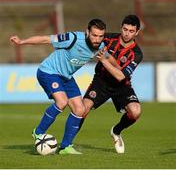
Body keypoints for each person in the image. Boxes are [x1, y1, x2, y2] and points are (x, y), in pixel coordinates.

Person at [10, 18, 106, 154]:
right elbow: (45, 39)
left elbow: (108, 58)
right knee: (62, 101)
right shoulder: (72, 38)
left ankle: (65, 147)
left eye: (100, 36)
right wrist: (22, 42)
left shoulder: (101, 47)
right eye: (94, 35)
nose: (97, 39)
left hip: (66, 77)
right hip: (49, 71)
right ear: (87, 32)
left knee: (80, 109)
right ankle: (38, 132)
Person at [79, 14, 143, 154]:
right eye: (125, 29)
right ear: (121, 28)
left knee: (136, 111)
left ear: (137, 32)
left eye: (131, 31)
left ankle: (116, 131)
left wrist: (104, 60)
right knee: (82, 110)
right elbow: (89, 37)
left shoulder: (137, 53)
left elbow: (120, 76)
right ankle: (67, 144)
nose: (127, 33)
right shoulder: (107, 38)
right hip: (101, 81)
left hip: (121, 86)